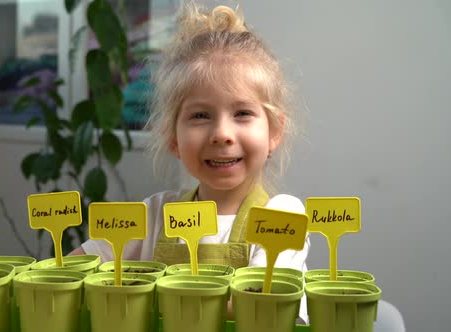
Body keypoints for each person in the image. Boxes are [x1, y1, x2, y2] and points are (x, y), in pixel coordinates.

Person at [70, 1, 309, 322]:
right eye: (200, 115)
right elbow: (69, 270)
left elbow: (263, 307)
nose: (222, 134)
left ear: (274, 132)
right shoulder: (154, 215)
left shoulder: (281, 214)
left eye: (242, 113)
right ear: (173, 139)